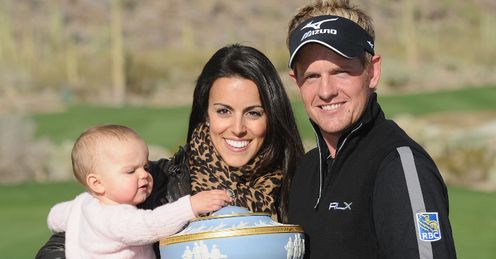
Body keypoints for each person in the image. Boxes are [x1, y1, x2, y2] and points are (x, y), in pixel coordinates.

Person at [36, 44, 304, 258]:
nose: (237, 128)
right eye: (223, 111)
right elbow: (65, 239)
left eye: (253, 113)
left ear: (272, 115)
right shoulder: (153, 181)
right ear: (206, 114)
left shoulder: (301, 180)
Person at [285, 0, 457, 258]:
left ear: (373, 72)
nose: (326, 91)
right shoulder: (306, 171)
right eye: (312, 76)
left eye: (341, 71)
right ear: (296, 81)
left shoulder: (399, 166)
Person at [46, 124, 231, 258]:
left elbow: (54, 217)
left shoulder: (81, 204)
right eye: (130, 171)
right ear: (97, 183)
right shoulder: (115, 217)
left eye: (145, 166)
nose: (144, 174)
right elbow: (151, 225)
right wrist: (191, 205)